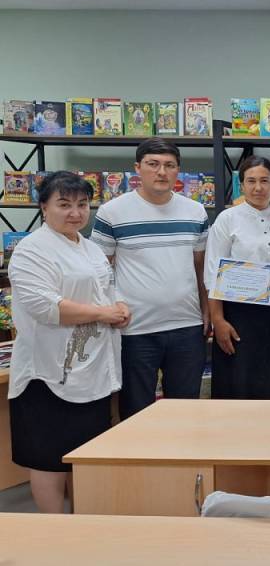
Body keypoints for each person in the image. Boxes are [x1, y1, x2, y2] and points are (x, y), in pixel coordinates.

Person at [8, 172, 128, 512]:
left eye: (82, 204)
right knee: (50, 458)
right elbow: (47, 307)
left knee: (84, 453)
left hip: (92, 371)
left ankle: (83, 522)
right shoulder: (31, 250)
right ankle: (55, 526)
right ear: (44, 207)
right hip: (48, 372)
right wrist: (104, 314)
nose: (75, 213)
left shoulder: (89, 247)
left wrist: (120, 306)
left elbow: (107, 288)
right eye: (64, 204)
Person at [91, 138, 210, 420]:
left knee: (185, 412)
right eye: (153, 164)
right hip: (134, 329)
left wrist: (207, 310)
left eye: (170, 165)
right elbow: (98, 271)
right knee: (136, 413)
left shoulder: (195, 212)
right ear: (137, 168)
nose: (161, 172)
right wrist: (110, 310)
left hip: (187, 326)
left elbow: (201, 266)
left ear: (178, 170)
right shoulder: (112, 212)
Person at [204, 156, 270, 399]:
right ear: (241, 185)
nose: (258, 187)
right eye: (251, 181)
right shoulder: (227, 219)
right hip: (238, 313)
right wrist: (218, 321)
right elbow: (213, 273)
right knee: (238, 379)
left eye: (264, 181)